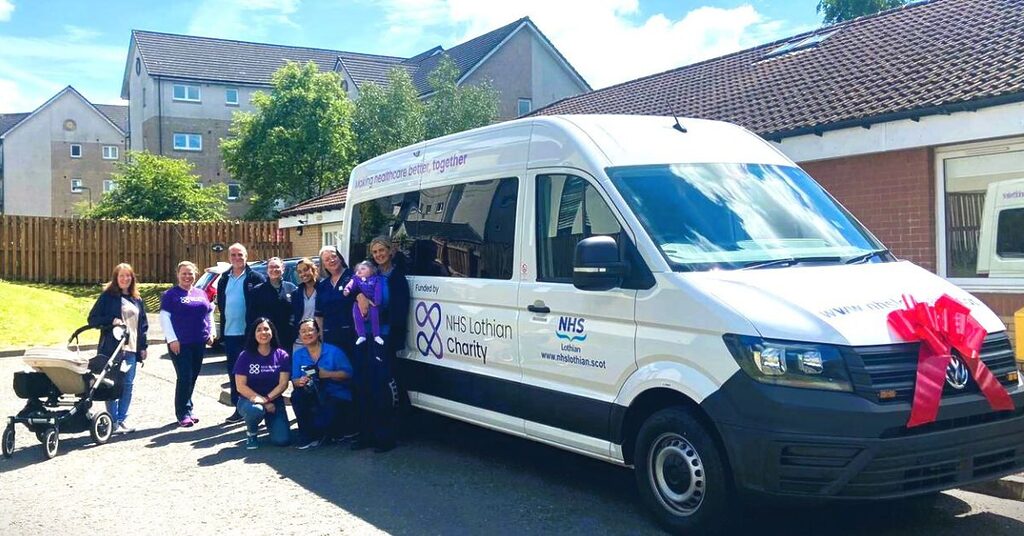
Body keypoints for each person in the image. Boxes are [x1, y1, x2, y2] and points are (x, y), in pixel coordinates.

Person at [351, 236, 410, 453]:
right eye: (374, 252)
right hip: (363, 336)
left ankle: (385, 437)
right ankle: (365, 434)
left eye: (381, 250)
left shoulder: (397, 277)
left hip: (384, 337)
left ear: (390, 250)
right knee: (362, 384)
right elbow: (354, 289)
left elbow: (398, 311)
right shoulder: (371, 273)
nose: (378, 255)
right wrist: (359, 297)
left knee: (382, 388)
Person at [87, 262, 149, 434]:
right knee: (112, 384)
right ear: (116, 278)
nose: (125, 279)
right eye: (121, 276)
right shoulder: (108, 296)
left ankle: (121, 420)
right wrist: (111, 320)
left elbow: (143, 325)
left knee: (127, 384)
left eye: (128, 276)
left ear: (132, 278)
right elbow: (92, 319)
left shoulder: (137, 299)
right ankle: (111, 420)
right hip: (113, 349)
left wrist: (143, 346)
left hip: (131, 349)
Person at [216, 243, 267, 423]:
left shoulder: (256, 277)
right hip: (230, 333)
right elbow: (221, 305)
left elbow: (262, 306)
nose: (237, 258)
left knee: (254, 371)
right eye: (233, 255)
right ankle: (238, 408)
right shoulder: (223, 279)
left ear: (246, 256)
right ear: (229, 257)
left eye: (240, 255)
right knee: (234, 372)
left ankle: (258, 408)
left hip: (250, 334)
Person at [160, 261, 215, 428]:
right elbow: (164, 317)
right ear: (178, 274)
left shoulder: (201, 293)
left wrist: (211, 332)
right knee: (184, 377)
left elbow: (209, 313)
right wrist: (172, 339)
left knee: (193, 376)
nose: (187, 276)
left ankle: (189, 408)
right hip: (180, 344)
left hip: (199, 342)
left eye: (190, 273)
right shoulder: (171, 295)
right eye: (184, 273)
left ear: (195, 274)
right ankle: (182, 412)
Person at [290, 319, 355, 449]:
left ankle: (332, 431)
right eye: (303, 331)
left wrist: (328, 374)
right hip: (311, 392)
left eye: (310, 330)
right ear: (299, 336)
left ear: (318, 332)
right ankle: (306, 435)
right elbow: (294, 379)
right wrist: (301, 381)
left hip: (335, 393)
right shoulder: (298, 355)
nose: (307, 334)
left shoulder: (334, 351)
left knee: (326, 420)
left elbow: (349, 374)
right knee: (296, 395)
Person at [233, 317, 291, 449]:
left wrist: (268, 399)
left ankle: (272, 424)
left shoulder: (282, 355)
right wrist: (263, 402)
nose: (263, 333)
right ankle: (252, 434)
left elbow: (283, 384)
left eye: (266, 329)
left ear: (272, 332)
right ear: (254, 334)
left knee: (282, 440)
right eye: (259, 330)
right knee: (255, 410)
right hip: (249, 401)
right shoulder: (245, 355)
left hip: (274, 401)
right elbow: (240, 386)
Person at [314, 246, 356, 360]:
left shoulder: (353, 277)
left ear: (340, 258)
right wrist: (320, 339)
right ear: (324, 265)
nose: (331, 260)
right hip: (330, 337)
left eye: (334, 256)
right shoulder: (323, 286)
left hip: (353, 335)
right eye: (327, 259)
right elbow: (319, 316)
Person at [343, 261, 385, 346]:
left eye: (363, 269)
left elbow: (378, 290)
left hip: (372, 302)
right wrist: (347, 289)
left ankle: (376, 335)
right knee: (357, 316)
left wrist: (377, 301)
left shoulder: (375, 279)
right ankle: (361, 335)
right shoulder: (355, 279)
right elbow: (350, 285)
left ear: (371, 270)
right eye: (358, 269)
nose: (359, 271)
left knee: (375, 317)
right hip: (358, 302)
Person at [259, 257, 297, 350]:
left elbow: (296, 311)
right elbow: (252, 315)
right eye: (271, 267)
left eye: (277, 267)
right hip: (266, 337)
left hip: (288, 337)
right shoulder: (258, 291)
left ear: (283, 269)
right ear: (267, 270)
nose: (274, 270)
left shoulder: (291, 288)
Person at [290, 257, 319, 351]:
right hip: (300, 341)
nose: (303, 274)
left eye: (306, 270)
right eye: (300, 272)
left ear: (313, 269)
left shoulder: (323, 289)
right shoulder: (296, 293)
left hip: (318, 339)